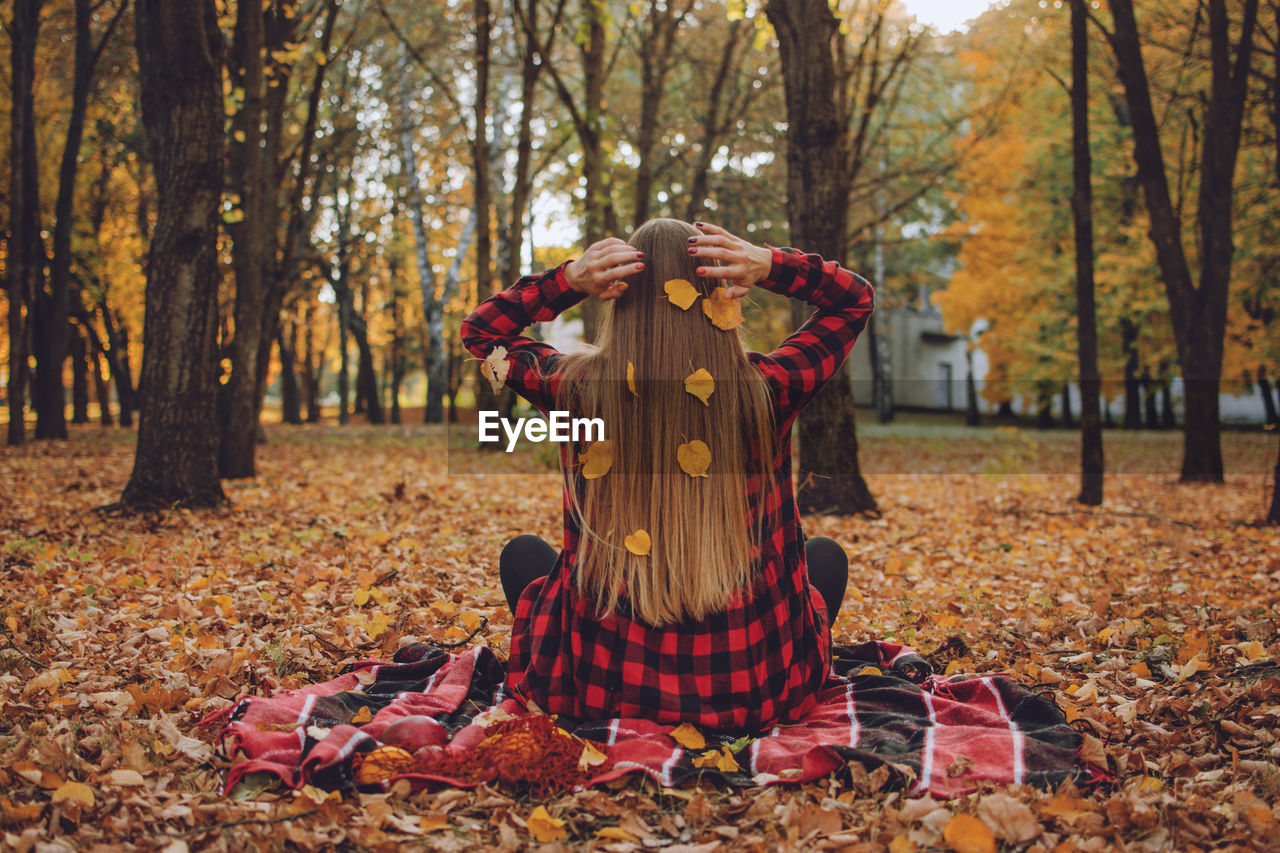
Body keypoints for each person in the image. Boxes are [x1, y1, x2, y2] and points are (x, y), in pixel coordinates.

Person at [460, 219, 874, 730]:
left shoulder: (574, 390)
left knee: (524, 554)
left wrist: (568, 280)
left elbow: (481, 332)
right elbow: (853, 301)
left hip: (597, 693)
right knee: (824, 558)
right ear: (717, 295)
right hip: (750, 697)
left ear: (618, 300)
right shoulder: (768, 390)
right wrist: (769, 264)